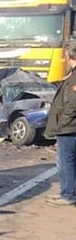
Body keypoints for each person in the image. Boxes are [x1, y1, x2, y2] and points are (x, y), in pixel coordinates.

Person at [44, 42, 76, 204]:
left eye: (65, 56)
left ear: (70, 57)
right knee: (68, 162)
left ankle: (68, 195)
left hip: (69, 129)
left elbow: (73, 104)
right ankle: (68, 192)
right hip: (70, 127)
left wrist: (61, 123)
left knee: (66, 162)